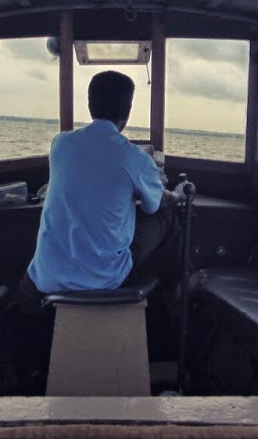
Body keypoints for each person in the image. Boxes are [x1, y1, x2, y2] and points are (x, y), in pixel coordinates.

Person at [19, 70, 182, 310]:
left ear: (90, 105)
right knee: (167, 217)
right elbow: (156, 203)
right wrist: (178, 193)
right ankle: (178, 285)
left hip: (45, 279)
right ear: (127, 111)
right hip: (105, 280)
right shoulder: (134, 158)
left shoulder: (60, 144)